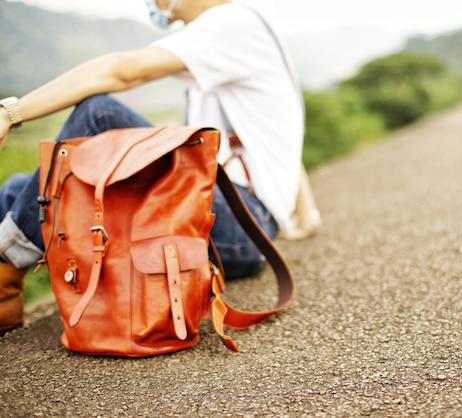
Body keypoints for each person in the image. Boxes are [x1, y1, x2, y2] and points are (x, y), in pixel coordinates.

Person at [0, 0, 306, 335]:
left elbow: (123, 71)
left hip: (243, 228)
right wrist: (304, 214)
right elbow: (278, 136)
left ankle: (5, 269)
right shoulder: (234, 33)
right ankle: (7, 306)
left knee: (99, 112)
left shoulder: (232, 23)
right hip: (241, 221)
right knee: (22, 189)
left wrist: (11, 113)